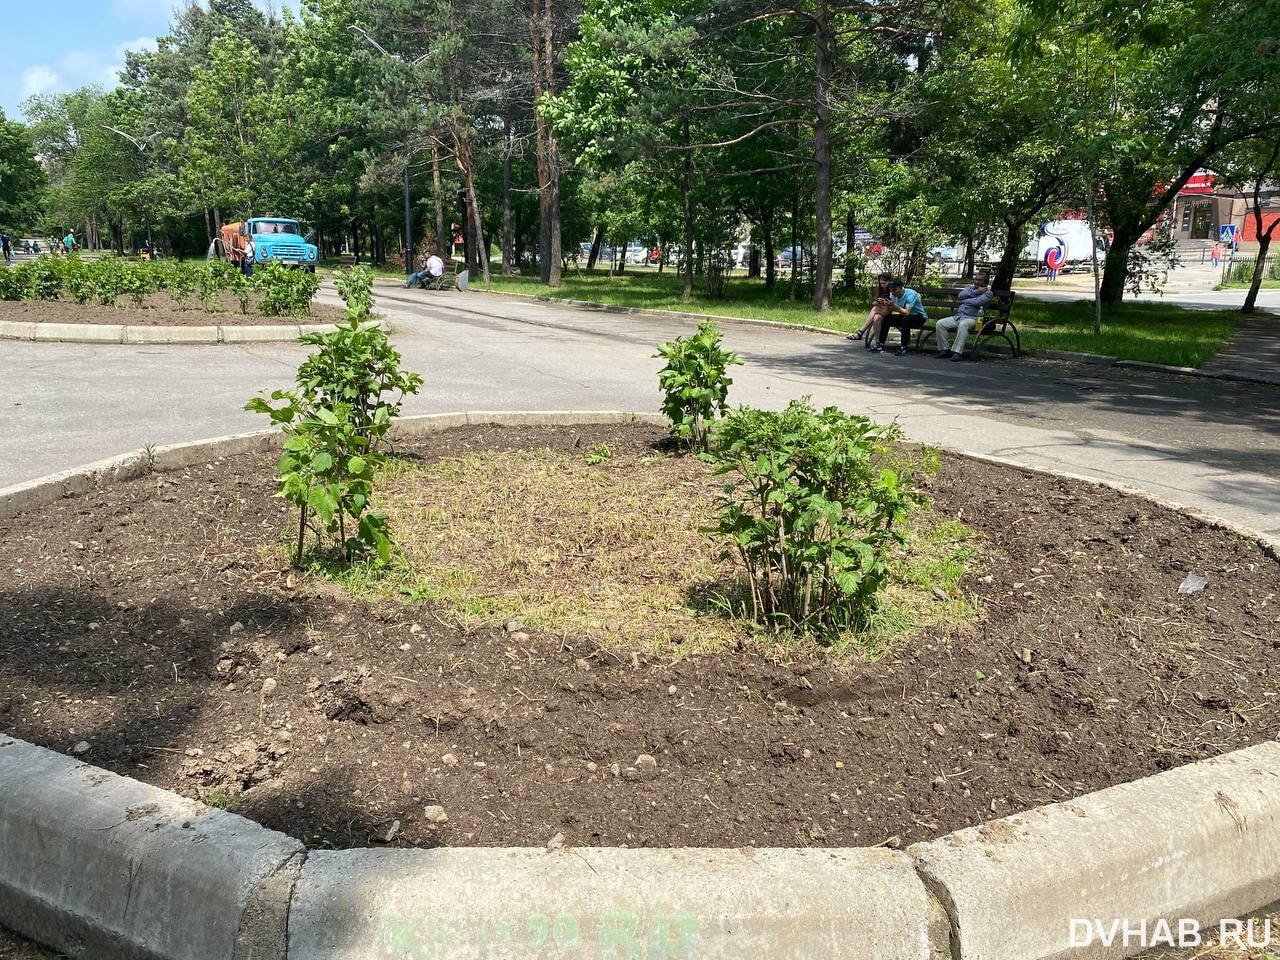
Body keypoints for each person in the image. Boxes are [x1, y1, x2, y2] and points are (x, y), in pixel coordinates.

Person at [933, 271, 994, 362]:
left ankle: (957, 353)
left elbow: (977, 302)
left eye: (979, 280)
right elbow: (960, 295)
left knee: (963, 324)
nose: (976, 282)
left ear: (985, 282)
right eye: (976, 279)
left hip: (973, 318)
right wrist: (976, 292)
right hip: (959, 316)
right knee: (940, 323)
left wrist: (963, 301)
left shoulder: (988, 293)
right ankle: (945, 350)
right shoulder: (970, 288)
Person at [872, 277, 928, 356]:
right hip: (905, 316)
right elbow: (892, 310)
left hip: (919, 317)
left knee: (906, 319)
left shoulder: (911, 294)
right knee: (887, 318)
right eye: (891, 290)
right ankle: (880, 344)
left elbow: (906, 312)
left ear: (901, 287)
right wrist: (885, 304)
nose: (893, 292)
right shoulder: (892, 294)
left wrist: (894, 306)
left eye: (895, 290)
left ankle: (904, 347)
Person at [846, 272, 893, 343]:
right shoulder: (882, 290)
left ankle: (860, 332)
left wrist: (882, 303)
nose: (883, 285)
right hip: (883, 310)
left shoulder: (892, 289)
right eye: (881, 283)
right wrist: (879, 301)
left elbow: (892, 304)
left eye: (884, 283)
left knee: (875, 309)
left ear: (889, 281)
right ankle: (878, 342)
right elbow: (874, 303)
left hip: (893, 310)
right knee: (876, 318)